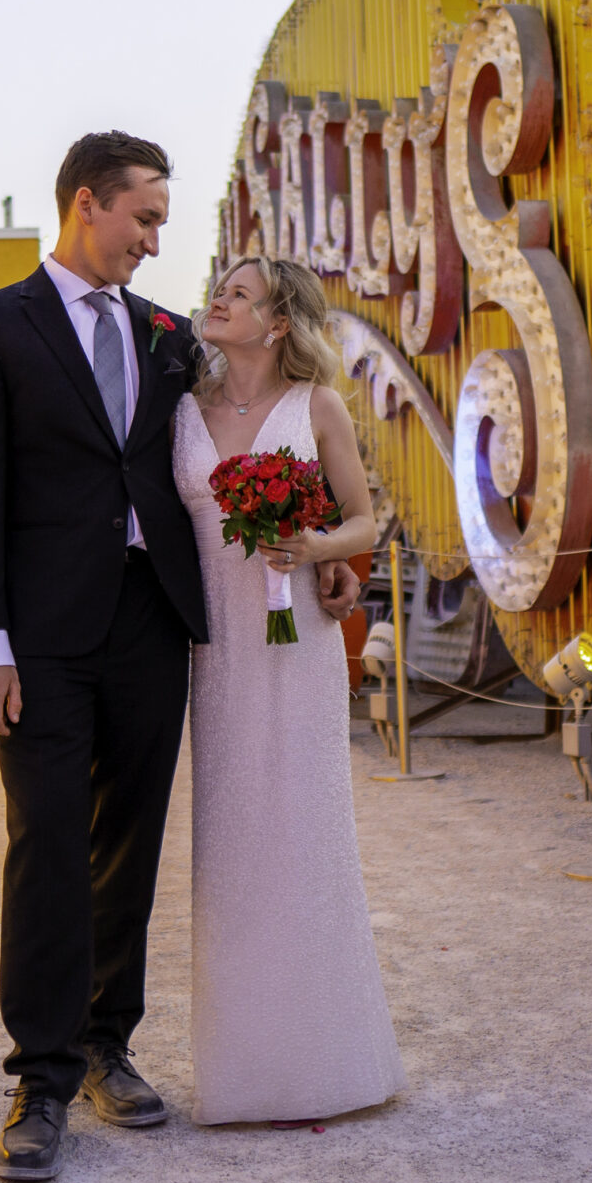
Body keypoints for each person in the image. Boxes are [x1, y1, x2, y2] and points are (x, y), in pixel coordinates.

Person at [0, 132, 360, 1183]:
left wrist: (325, 561)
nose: (156, 239)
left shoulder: (172, 339)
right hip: (36, 634)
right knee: (45, 840)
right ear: (89, 204)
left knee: (128, 843)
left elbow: (265, 435)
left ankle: (103, 1046)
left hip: (153, 626)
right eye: (144, 218)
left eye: (163, 221)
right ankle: (38, 1082)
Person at [173, 256, 404, 1125]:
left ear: (276, 323)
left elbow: (362, 519)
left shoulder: (317, 408)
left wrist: (314, 552)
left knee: (304, 826)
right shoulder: (179, 412)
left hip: (296, 638)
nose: (220, 297)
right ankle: (242, 1069)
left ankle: (327, 1060)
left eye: (240, 292)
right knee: (230, 836)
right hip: (212, 649)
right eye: (220, 287)